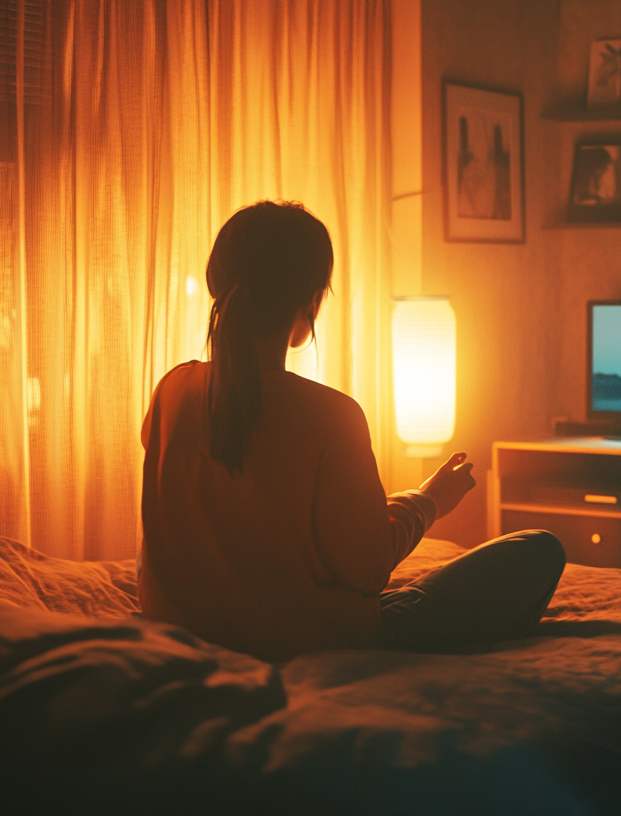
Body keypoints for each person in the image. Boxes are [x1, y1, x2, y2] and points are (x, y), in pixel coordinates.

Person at [139, 201, 564, 662]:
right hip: (312, 641)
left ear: (216, 287)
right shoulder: (330, 415)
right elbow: (365, 569)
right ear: (312, 304)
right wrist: (429, 501)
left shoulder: (172, 390)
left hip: (184, 632)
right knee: (538, 551)